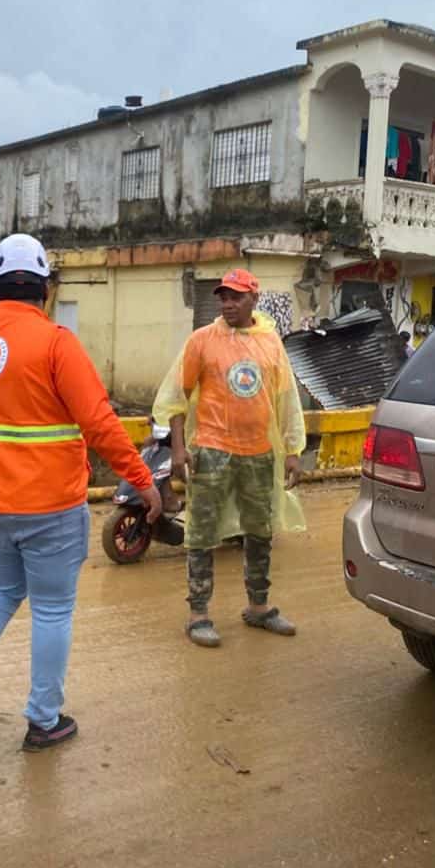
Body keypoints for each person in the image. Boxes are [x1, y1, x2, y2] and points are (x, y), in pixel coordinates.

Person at [0, 233, 162, 751]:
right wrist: (144, 482)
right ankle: (43, 719)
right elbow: (100, 425)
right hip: (49, 506)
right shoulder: (56, 343)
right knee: (53, 610)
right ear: (46, 289)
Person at [154, 268, 306, 647]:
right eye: (223, 296)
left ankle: (259, 607)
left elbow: (286, 399)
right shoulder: (203, 340)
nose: (227, 303)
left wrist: (292, 450)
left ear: (254, 298)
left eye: (236, 296)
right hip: (211, 450)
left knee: (260, 530)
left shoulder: (271, 343)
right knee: (201, 533)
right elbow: (176, 395)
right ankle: (198, 614)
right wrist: (177, 447)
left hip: (258, 453)